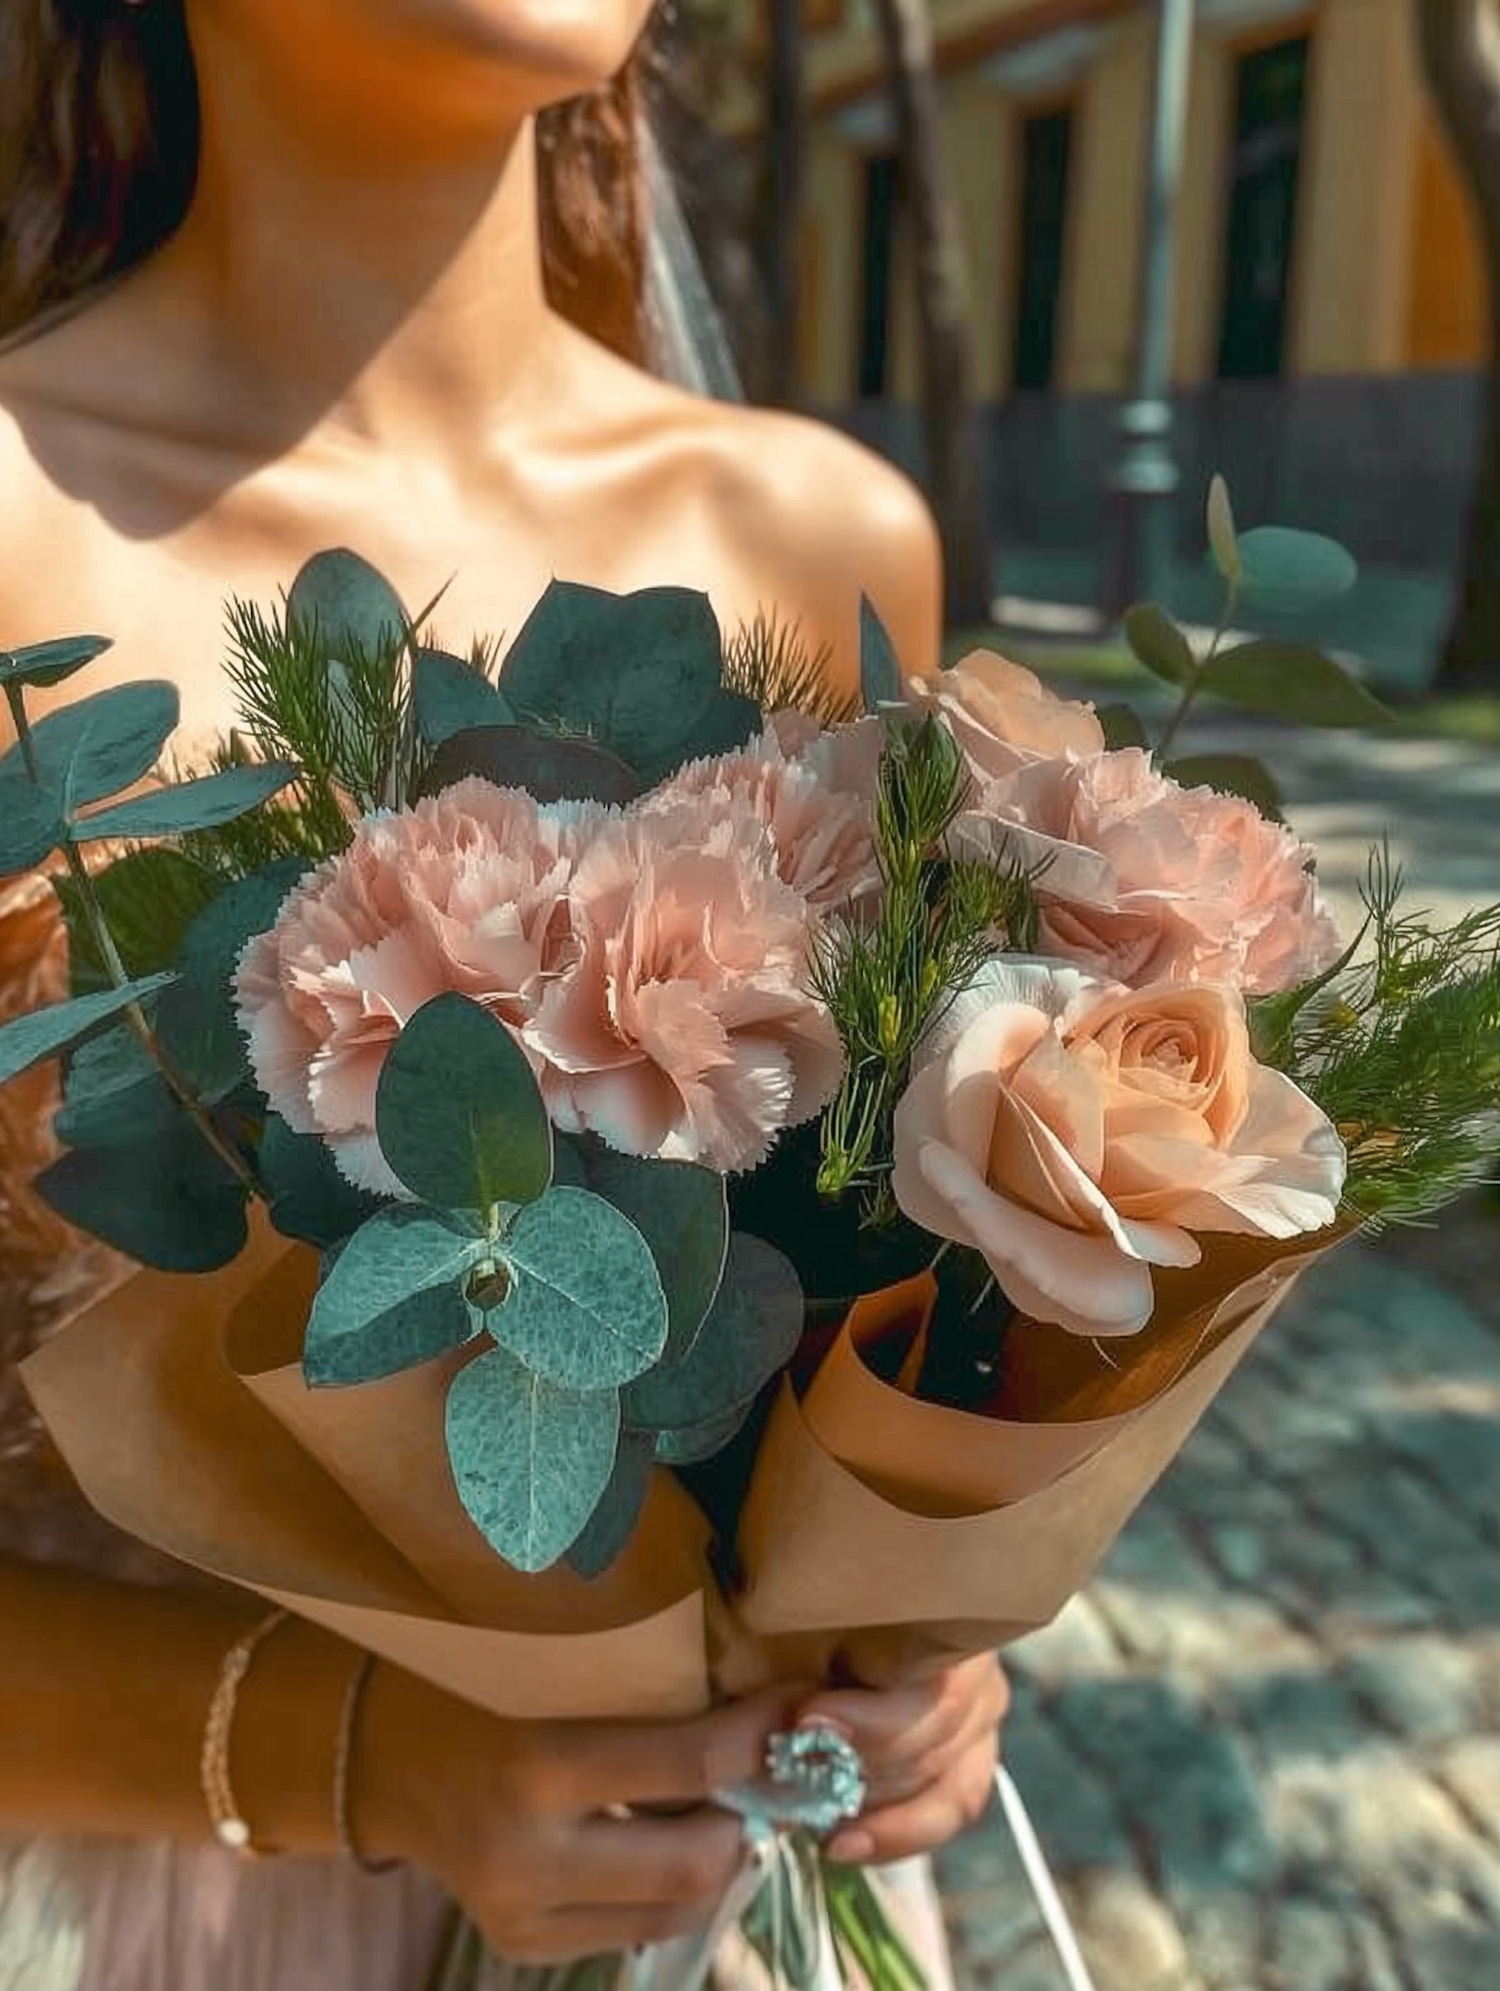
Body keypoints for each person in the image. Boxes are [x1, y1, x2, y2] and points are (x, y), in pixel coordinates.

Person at [0, 3, 1009, 1986]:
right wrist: (376, 1755)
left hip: (725, 1907)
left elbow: (867, 1337)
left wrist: (920, 1660)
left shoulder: (823, 543)